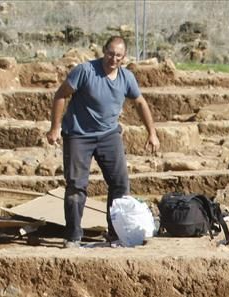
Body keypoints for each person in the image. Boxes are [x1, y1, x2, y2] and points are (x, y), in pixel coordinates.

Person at [46, 35, 160, 248]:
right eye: (110, 54)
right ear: (103, 52)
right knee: (76, 186)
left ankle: (114, 232)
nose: (113, 59)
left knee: (120, 183)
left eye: (118, 55)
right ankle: (72, 236)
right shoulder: (85, 71)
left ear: (124, 57)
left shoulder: (126, 77)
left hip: (108, 135)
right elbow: (60, 95)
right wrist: (55, 128)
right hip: (78, 135)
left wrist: (151, 133)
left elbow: (140, 102)